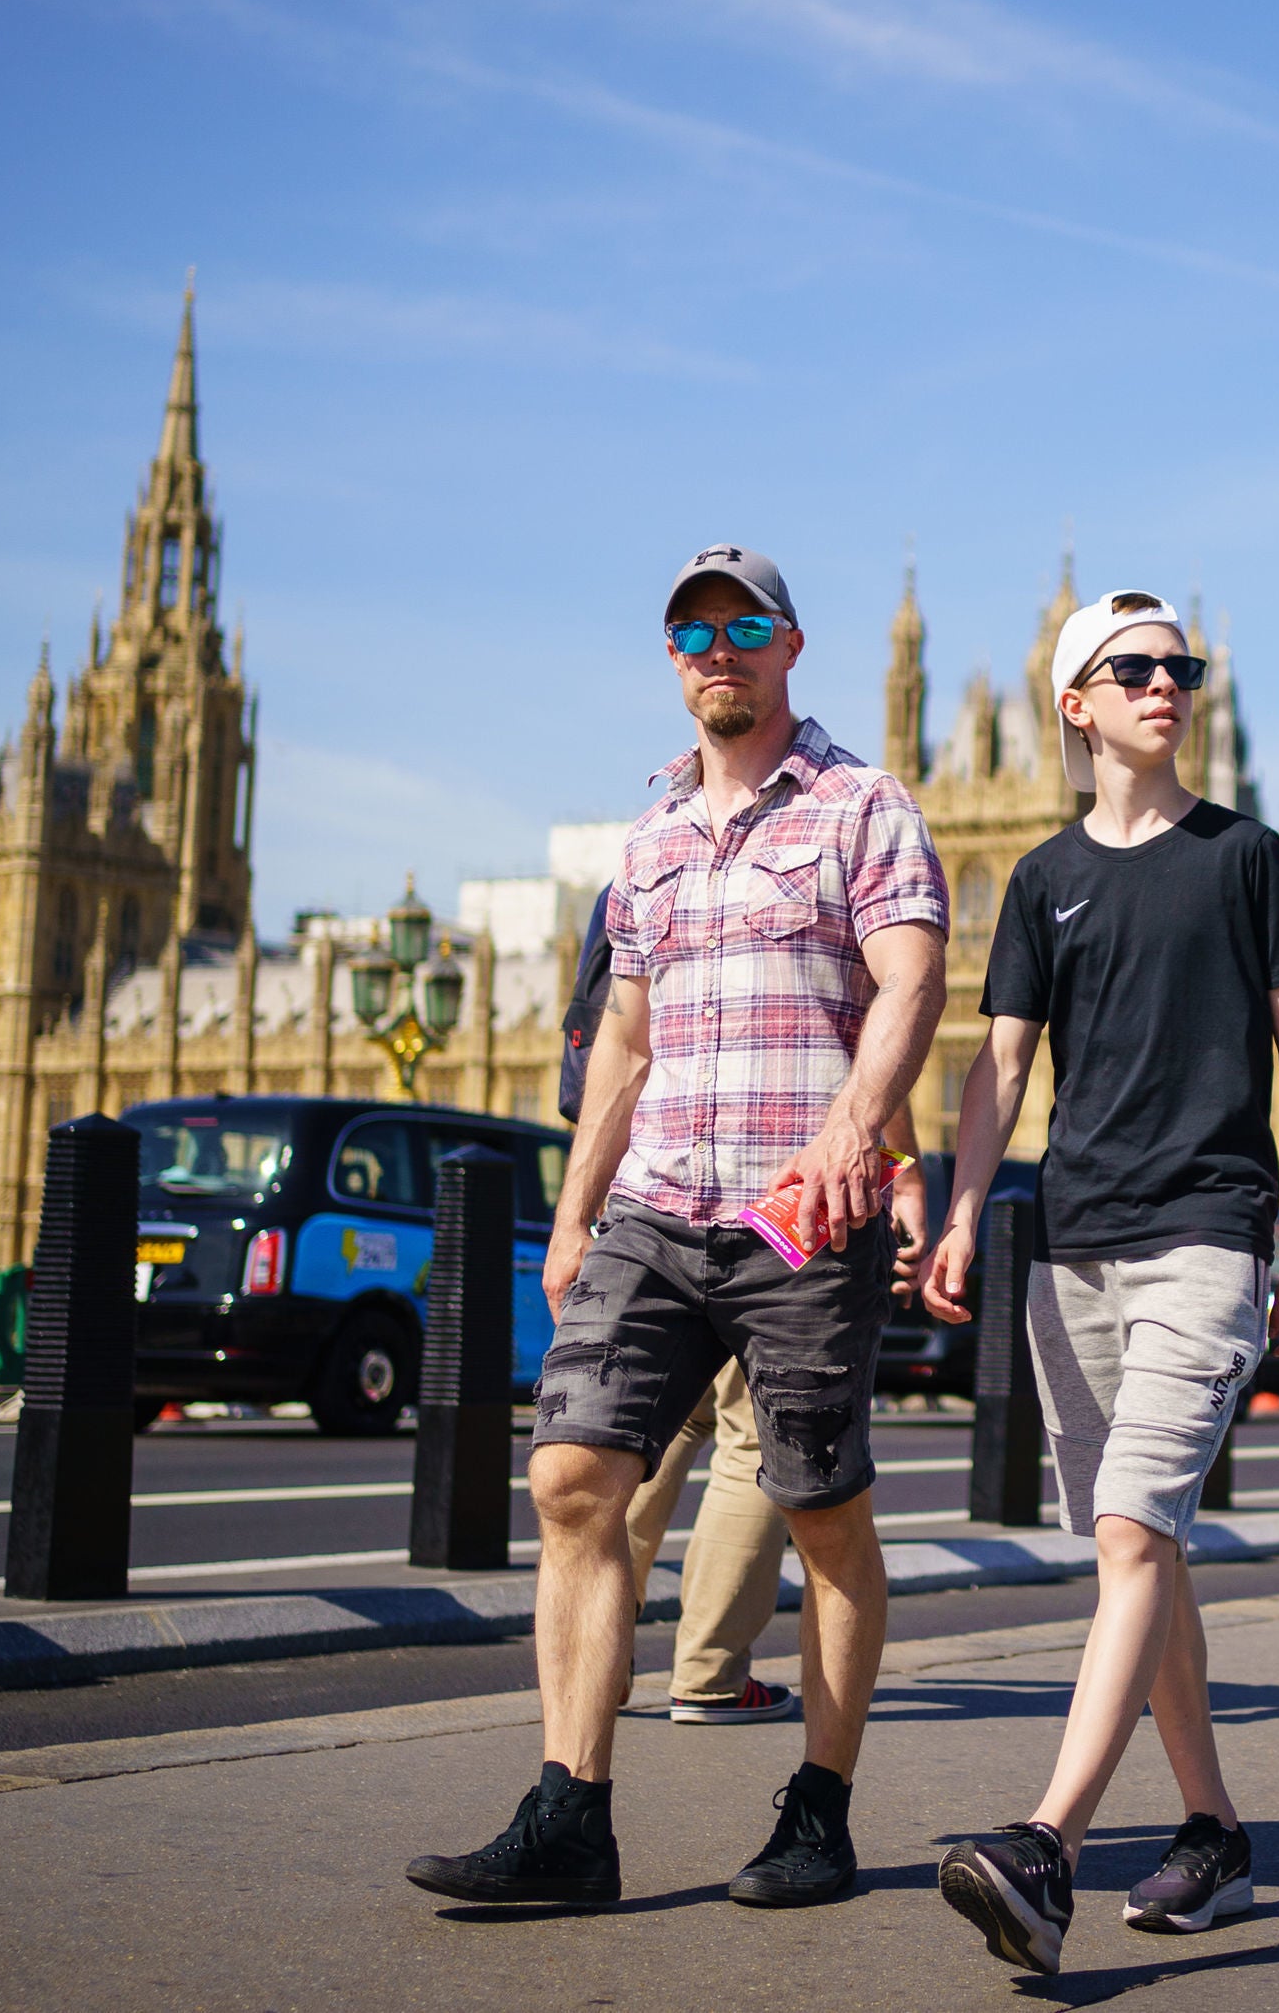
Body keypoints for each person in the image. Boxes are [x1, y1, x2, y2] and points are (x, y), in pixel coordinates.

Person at [405, 544, 947, 1906]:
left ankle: (817, 1809)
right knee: (573, 1478)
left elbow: (913, 979)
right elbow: (625, 1045)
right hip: (657, 1202)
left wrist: (858, 1126)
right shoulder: (644, 843)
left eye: (743, 623)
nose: (719, 646)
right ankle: (569, 1813)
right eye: (694, 629)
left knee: (819, 1510)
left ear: (790, 644)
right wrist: (577, 1211)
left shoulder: (861, 808)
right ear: (670, 658)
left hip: (795, 1213)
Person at [921, 587, 1279, 1976]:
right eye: (1136, 667)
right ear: (1077, 702)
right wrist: (966, 1208)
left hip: (1211, 1236)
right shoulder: (1044, 877)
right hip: (1076, 1250)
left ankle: (1048, 1842)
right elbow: (1000, 1063)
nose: (1168, 683)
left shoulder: (1246, 857)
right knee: (1140, 1547)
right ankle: (1214, 1827)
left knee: (1126, 1531)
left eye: (1184, 666)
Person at [623, 1129, 926, 1721]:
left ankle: (600, 1662)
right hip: (771, 1201)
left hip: (653, 1203)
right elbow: (875, 1057)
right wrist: (907, 1181)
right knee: (752, 1437)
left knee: (651, 1432)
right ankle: (710, 1675)